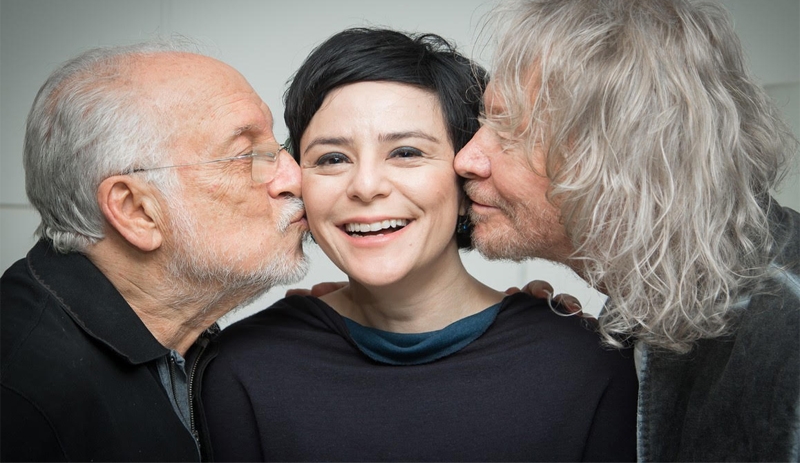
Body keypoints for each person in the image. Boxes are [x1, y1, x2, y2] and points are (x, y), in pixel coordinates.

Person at [202, 28, 638, 462]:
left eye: (406, 152)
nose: (366, 186)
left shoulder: (587, 364)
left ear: (466, 173)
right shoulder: (239, 369)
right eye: (332, 159)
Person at [453, 0, 800, 462]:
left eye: (510, 131)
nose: (467, 159)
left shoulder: (787, 336)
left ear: (621, 157)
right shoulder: (644, 309)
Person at [0, 41, 309, 461]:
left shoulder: (180, 345)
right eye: (247, 155)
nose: (295, 176)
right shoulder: (23, 396)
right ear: (136, 211)